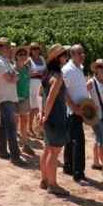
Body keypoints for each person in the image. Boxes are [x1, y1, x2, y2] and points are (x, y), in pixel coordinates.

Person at [39, 44, 71, 196]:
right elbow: (51, 98)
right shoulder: (58, 77)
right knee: (54, 152)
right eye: (64, 54)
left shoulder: (47, 74)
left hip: (48, 115)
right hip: (56, 116)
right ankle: (53, 184)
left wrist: (41, 114)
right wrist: (46, 115)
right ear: (58, 58)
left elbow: (42, 96)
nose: (66, 57)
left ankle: (44, 180)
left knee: (47, 149)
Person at [0, 37, 24, 166]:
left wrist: (14, 76)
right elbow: (11, 78)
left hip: (7, 97)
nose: (10, 48)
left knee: (5, 126)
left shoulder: (5, 61)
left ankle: (2, 151)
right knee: (11, 127)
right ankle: (15, 156)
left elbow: (15, 76)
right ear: (0, 48)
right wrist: (15, 77)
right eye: (7, 46)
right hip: (4, 98)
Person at [62, 44, 89, 185]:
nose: (82, 55)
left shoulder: (80, 68)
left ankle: (68, 167)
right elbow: (63, 91)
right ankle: (78, 174)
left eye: (83, 52)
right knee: (79, 142)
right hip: (72, 111)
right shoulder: (67, 70)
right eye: (79, 53)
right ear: (72, 55)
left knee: (70, 140)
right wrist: (73, 106)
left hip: (80, 109)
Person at [87, 58, 103, 180]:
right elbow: (83, 97)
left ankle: (96, 162)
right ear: (95, 69)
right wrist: (91, 106)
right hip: (96, 116)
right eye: (100, 67)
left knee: (99, 138)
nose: (102, 69)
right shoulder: (91, 82)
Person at [15, 45, 35, 156]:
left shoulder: (27, 68)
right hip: (15, 98)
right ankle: (15, 145)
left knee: (24, 121)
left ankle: (24, 144)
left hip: (25, 97)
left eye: (24, 54)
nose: (23, 56)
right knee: (15, 122)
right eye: (20, 54)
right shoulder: (13, 68)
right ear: (16, 56)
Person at [28, 42, 46, 138]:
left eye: (37, 48)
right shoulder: (29, 60)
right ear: (31, 50)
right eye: (34, 49)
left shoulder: (42, 59)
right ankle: (30, 128)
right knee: (32, 108)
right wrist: (36, 73)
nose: (36, 50)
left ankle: (39, 129)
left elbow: (45, 71)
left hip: (41, 84)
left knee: (41, 108)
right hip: (33, 85)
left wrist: (39, 73)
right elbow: (26, 74)